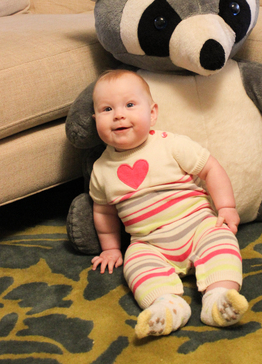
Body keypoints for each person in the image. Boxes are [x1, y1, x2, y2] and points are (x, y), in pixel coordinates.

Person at [90, 68, 248, 339]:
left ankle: (218, 297)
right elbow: (103, 211)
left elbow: (210, 169)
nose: (118, 115)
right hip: (148, 244)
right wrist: (111, 248)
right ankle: (167, 306)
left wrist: (226, 207)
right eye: (107, 109)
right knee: (135, 263)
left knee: (221, 240)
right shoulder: (101, 170)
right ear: (95, 120)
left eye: (130, 105)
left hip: (197, 227)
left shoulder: (171, 145)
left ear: (152, 113)